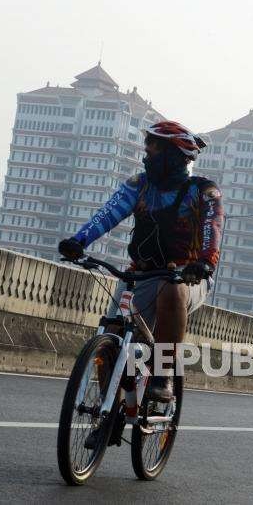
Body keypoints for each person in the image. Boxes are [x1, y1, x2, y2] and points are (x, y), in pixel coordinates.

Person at [58, 121, 223, 403]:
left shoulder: (203, 192)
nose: (146, 156)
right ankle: (108, 411)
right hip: (142, 274)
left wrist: (205, 263)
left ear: (173, 156)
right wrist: (78, 241)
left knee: (173, 290)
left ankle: (163, 375)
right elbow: (108, 214)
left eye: (153, 150)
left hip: (187, 278)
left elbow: (213, 230)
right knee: (111, 336)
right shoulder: (139, 186)